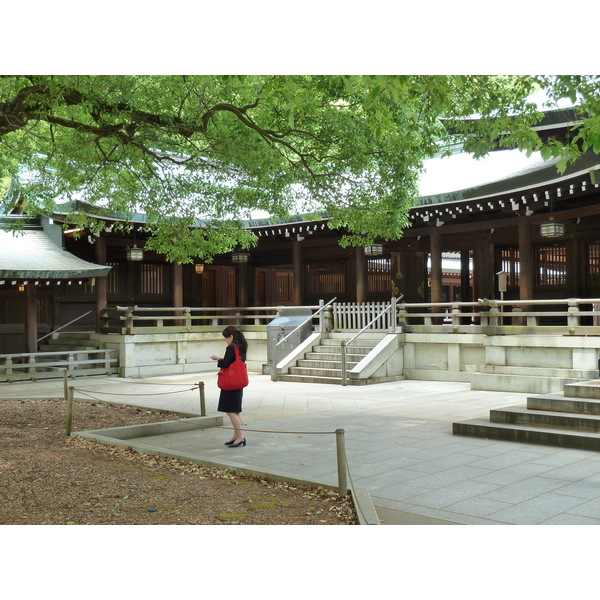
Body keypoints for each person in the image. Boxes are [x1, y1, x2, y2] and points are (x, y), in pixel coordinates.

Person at [210, 326, 248, 448]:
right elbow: (234, 361)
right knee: (236, 410)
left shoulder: (231, 347)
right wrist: (222, 359)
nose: (225, 340)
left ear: (231, 336)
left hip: (230, 383)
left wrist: (218, 360)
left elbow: (226, 363)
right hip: (238, 381)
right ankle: (236, 435)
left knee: (230, 410)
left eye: (226, 337)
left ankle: (240, 436)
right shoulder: (242, 346)